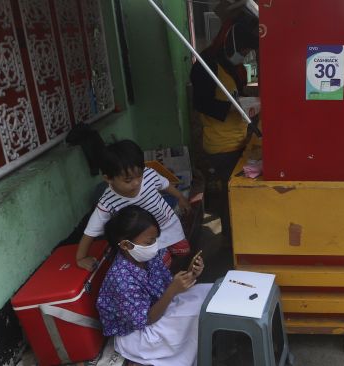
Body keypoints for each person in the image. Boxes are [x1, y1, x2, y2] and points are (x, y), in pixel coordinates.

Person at [96, 205, 209, 366]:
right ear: (125, 245)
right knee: (197, 314)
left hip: (159, 308)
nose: (154, 245)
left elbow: (166, 285)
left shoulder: (148, 257)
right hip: (137, 336)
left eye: (155, 239)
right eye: (149, 241)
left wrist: (191, 274)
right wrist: (172, 291)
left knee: (208, 293)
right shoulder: (121, 279)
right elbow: (146, 319)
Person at [190, 17, 259, 238]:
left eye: (249, 50)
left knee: (237, 194)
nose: (245, 53)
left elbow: (238, 95)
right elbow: (201, 103)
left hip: (239, 139)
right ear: (230, 43)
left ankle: (238, 236)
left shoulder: (234, 66)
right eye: (244, 48)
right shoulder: (205, 67)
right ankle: (231, 241)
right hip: (221, 146)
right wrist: (233, 108)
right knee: (232, 196)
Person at [76, 140, 191, 270]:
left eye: (139, 175)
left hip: (168, 224)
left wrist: (181, 197)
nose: (137, 183)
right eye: (128, 180)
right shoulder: (108, 202)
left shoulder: (149, 175)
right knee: (164, 264)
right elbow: (90, 231)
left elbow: (165, 185)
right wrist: (81, 257)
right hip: (144, 241)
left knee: (184, 251)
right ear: (108, 179)